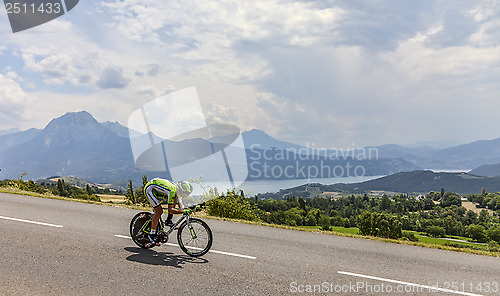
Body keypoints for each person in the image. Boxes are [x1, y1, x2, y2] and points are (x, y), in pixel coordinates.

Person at [143, 178, 194, 246]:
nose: (188, 195)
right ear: (183, 190)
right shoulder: (172, 190)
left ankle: (168, 220)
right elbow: (170, 210)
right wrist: (183, 211)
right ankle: (151, 235)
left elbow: (181, 205)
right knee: (159, 211)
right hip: (150, 189)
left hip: (158, 190)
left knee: (175, 199)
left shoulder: (178, 192)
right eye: (187, 193)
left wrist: (187, 209)